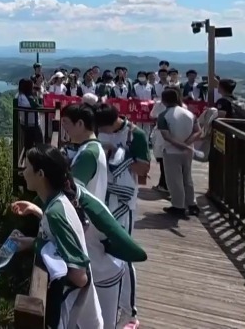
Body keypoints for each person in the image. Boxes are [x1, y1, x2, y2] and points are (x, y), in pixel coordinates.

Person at [12, 165, 147, 329]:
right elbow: (62, 229)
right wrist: (37, 213)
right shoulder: (64, 204)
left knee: (101, 323)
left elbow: (133, 250)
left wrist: (111, 249)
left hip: (105, 274)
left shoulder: (84, 207)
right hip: (89, 273)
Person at [10, 146, 104, 328]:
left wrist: (40, 247)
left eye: (28, 167)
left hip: (75, 315)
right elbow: (56, 237)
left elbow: (79, 276)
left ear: (40, 174)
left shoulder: (55, 213)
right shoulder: (57, 202)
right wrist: (31, 241)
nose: (24, 172)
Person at [94, 103, 151, 329]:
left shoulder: (134, 135)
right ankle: (113, 302)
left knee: (124, 254)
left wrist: (120, 155)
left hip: (123, 203)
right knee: (107, 251)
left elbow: (144, 169)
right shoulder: (103, 131)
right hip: (103, 199)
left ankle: (129, 312)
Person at [156, 87, 201, 219]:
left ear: (164, 100)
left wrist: (179, 145)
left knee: (174, 180)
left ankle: (178, 206)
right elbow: (198, 131)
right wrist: (187, 144)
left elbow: (166, 136)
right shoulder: (190, 114)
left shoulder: (163, 115)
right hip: (188, 151)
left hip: (171, 151)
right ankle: (192, 204)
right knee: (187, 178)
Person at [62, 104, 108, 202]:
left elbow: (70, 191)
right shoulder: (91, 148)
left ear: (80, 124)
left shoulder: (88, 153)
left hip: (84, 216)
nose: (63, 126)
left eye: (65, 122)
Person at [17, 78, 44, 149]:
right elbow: (39, 107)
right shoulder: (29, 99)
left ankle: (28, 157)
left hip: (23, 123)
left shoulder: (19, 96)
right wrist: (37, 95)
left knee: (28, 143)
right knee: (39, 142)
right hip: (32, 124)